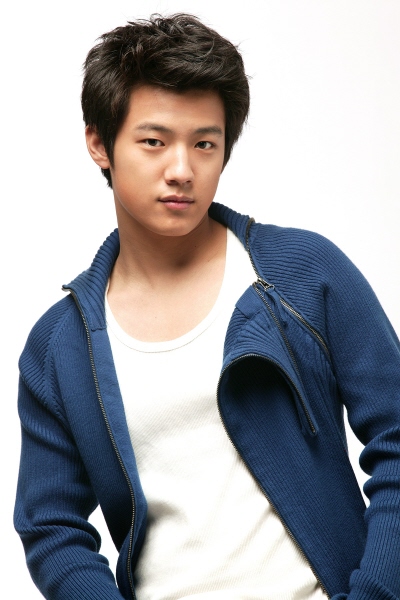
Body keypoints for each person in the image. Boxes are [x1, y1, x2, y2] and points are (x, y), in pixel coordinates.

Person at [14, 13, 400, 600]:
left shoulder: (303, 273)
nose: (182, 171)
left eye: (204, 144)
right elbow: (51, 527)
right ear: (99, 144)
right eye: (154, 141)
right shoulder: (59, 346)